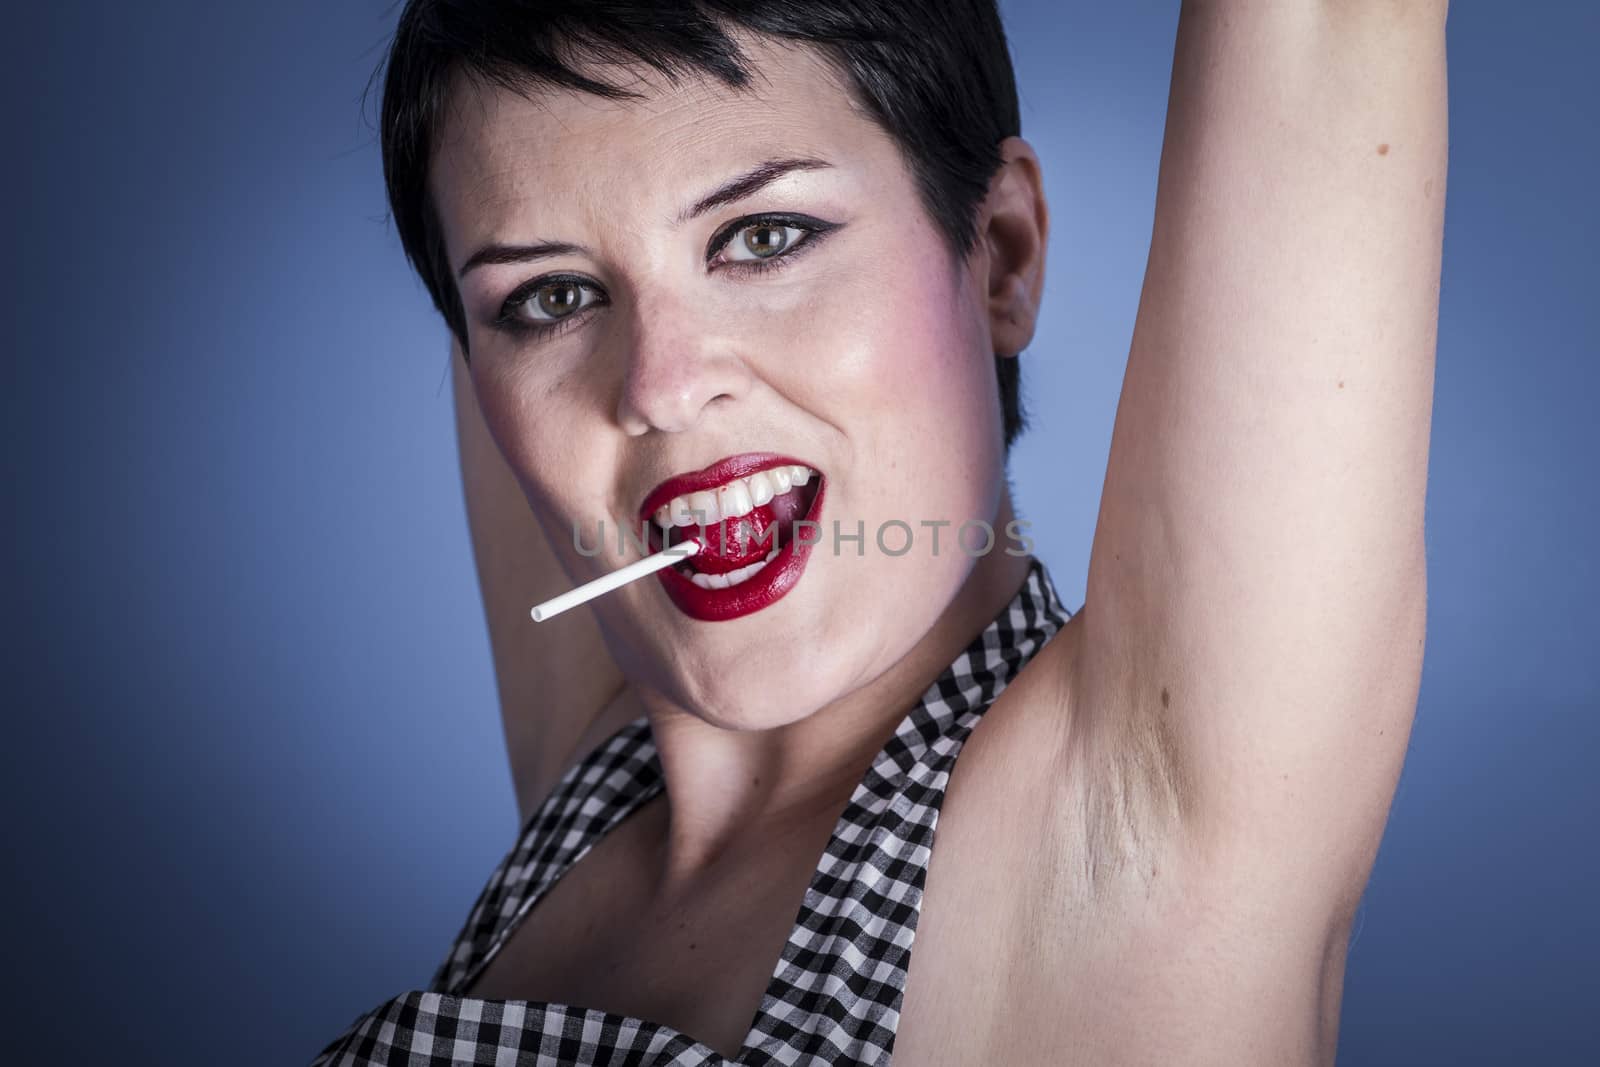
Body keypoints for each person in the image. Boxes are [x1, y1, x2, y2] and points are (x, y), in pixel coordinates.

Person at [313, 0, 1449, 1062]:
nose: (657, 386)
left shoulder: (1133, 829)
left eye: (764, 236)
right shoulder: (600, 751)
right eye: (555, 299)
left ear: (999, 250)